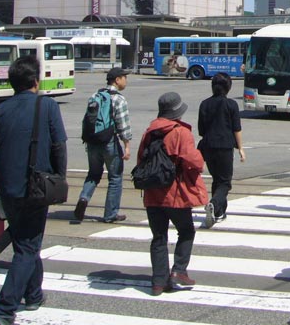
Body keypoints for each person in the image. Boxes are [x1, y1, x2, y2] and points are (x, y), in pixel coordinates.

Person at [0, 56, 67, 325]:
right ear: (36, 81)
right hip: (37, 186)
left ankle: (34, 294)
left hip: (7, 186)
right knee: (27, 246)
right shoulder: (47, 105)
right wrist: (60, 178)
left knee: (28, 240)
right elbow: (59, 145)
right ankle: (4, 308)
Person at [138, 92, 208, 296]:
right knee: (186, 231)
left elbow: (141, 159)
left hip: (152, 192)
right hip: (174, 192)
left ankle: (158, 283)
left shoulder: (149, 132)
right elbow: (194, 161)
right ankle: (179, 270)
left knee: (158, 237)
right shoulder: (180, 132)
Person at [72, 67, 133, 224]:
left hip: (93, 141)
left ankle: (84, 198)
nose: (126, 80)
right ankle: (110, 214)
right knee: (115, 177)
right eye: (124, 77)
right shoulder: (119, 99)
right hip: (109, 142)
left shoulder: (95, 96)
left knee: (93, 174)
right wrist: (127, 145)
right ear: (117, 80)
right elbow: (122, 125)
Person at [197, 72, 246, 229]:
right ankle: (213, 203)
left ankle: (219, 212)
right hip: (225, 146)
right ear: (228, 87)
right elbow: (236, 129)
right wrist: (241, 149)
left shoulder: (204, 104)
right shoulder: (231, 105)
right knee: (225, 182)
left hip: (208, 146)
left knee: (217, 179)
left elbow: (201, 130)